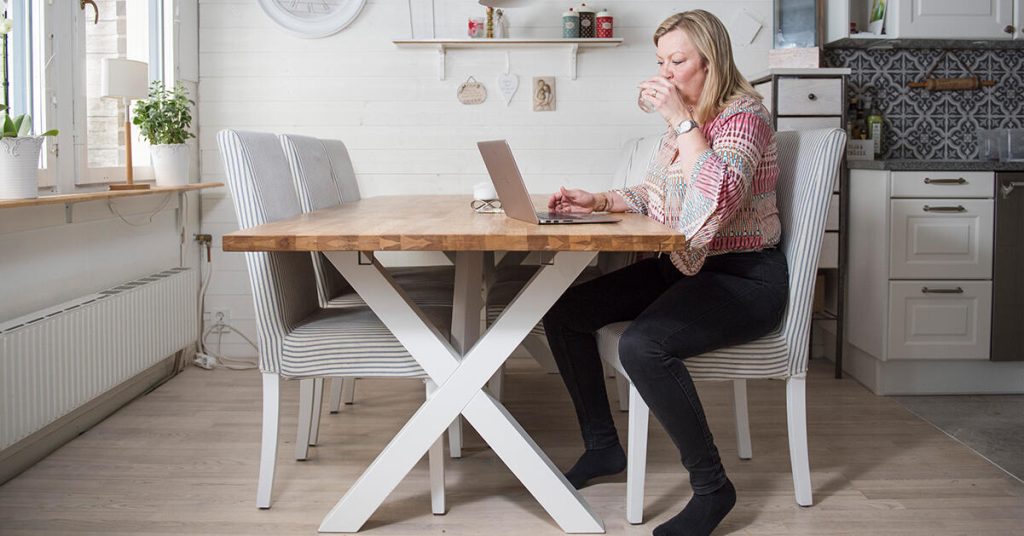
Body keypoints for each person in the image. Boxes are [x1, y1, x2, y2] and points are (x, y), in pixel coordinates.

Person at [543, 10, 787, 536]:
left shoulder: (744, 117)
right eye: (660, 61)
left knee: (642, 346)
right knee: (566, 312)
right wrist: (600, 199)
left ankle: (712, 488)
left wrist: (681, 122)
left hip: (746, 278)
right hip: (687, 266)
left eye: (677, 60)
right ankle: (604, 448)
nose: (666, 73)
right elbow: (658, 198)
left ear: (711, 61)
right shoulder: (689, 122)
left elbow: (717, 198)